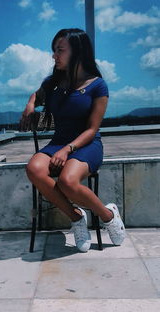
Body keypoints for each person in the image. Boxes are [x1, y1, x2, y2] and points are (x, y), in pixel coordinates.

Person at [20, 28, 125, 252]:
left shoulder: (98, 86)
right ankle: (77, 217)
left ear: (77, 51)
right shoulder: (54, 83)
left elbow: (92, 128)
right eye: (54, 50)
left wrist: (68, 150)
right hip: (59, 142)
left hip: (86, 144)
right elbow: (36, 96)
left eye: (60, 50)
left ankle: (108, 216)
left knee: (68, 181)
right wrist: (31, 104)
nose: (54, 55)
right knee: (34, 169)